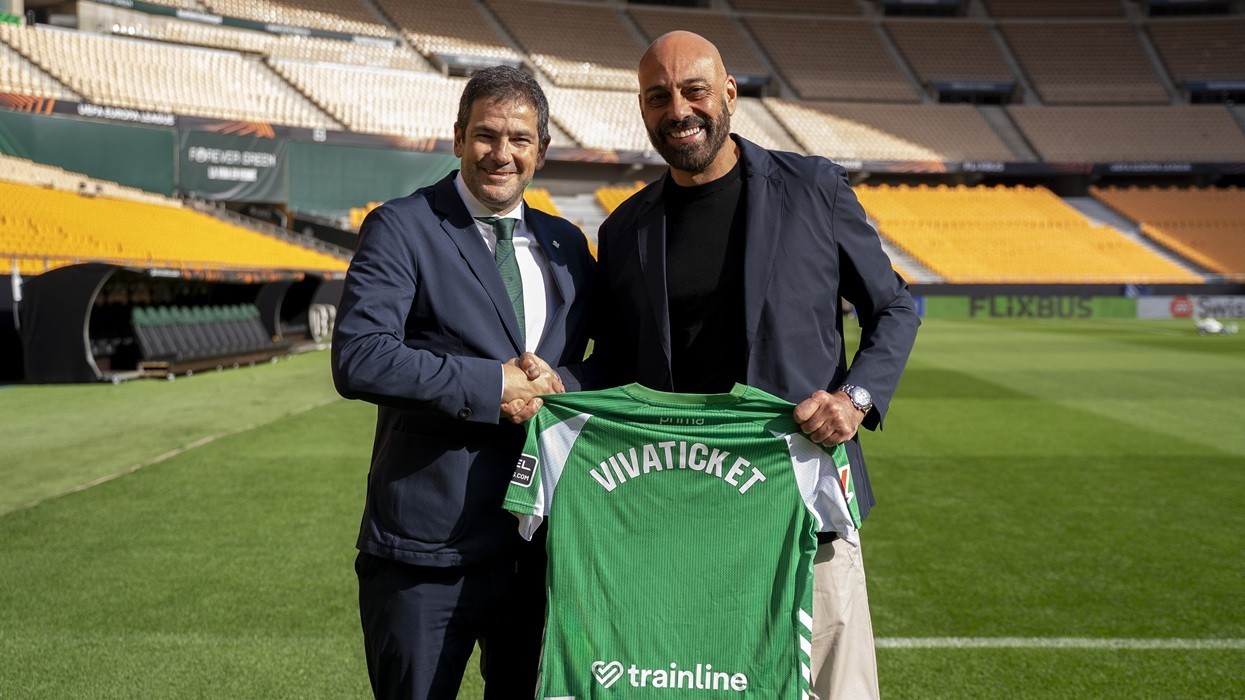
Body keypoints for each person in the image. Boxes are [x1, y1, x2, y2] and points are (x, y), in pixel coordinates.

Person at [590, 31, 920, 699]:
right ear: (643, 110)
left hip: (803, 502)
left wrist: (852, 399)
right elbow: (615, 370)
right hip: (679, 511)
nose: (678, 110)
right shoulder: (624, 230)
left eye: (693, 90)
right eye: (658, 97)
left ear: (729, 95)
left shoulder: (814, 188)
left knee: (834, 688)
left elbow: (894, 307)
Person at [331, 65, 595, 699]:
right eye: (485, 135)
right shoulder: (402, 226)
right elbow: (361, 356)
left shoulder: (565, 243)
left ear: (541, 150)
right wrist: (490, 386)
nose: (500, 154)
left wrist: (566, 384)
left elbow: (608, 358)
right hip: (426, 555)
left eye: (519, 139)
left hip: (540, 548)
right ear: (457, 138)